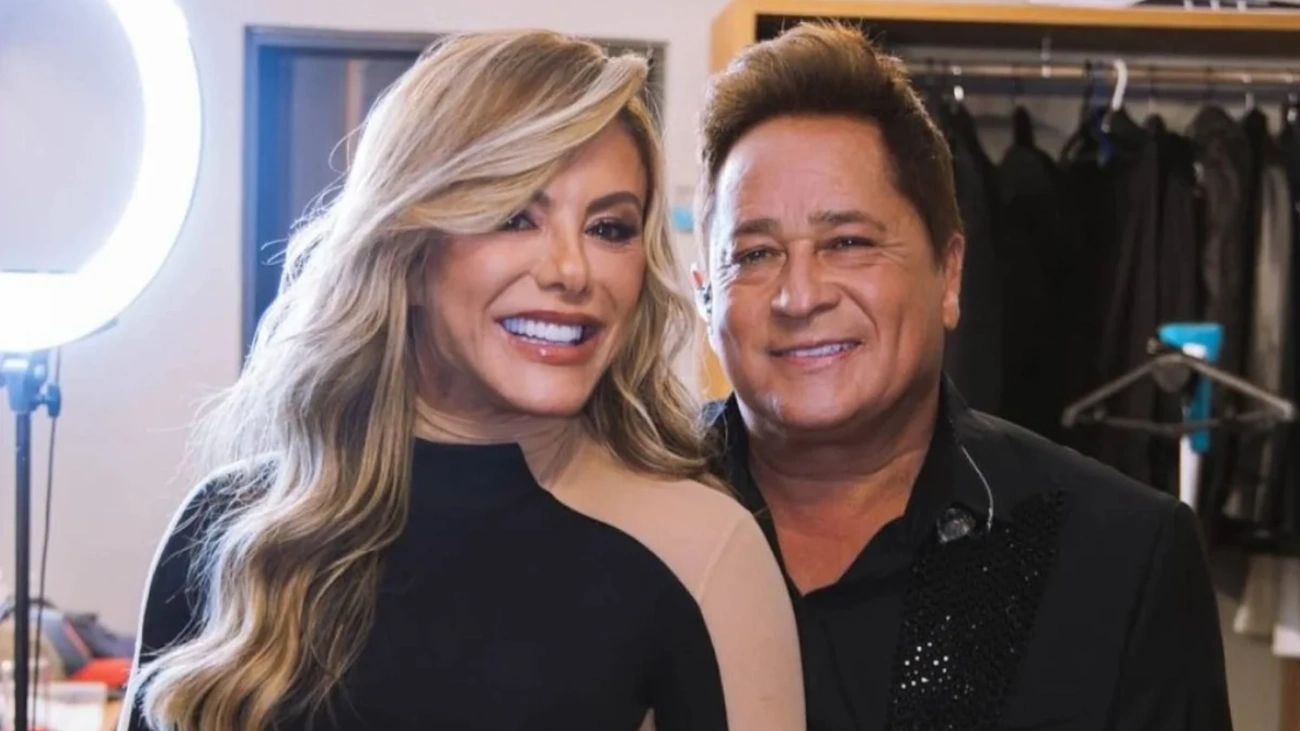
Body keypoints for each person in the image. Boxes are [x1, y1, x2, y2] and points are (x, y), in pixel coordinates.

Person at [122, 30, 804, 731]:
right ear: (407, 250)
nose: (573, 270)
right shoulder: (234, 530)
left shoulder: (701, 549)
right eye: (514, 217)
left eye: (608, 228)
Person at [693, 22, 1232, 731]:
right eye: (755, 254)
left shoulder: (1124, 558)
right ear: (706, 295)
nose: (800, 296)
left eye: (848, 242)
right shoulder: (615, 522)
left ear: (948, 275)